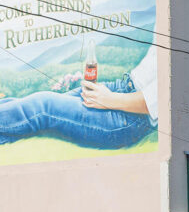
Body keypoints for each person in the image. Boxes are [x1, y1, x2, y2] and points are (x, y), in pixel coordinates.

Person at [0, 45, 158, 149]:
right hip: (122, 88)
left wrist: (108, 99)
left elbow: (158, 100)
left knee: (43, 106)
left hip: (131, 115)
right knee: (17, 105)